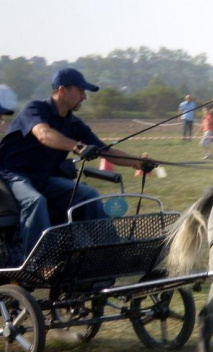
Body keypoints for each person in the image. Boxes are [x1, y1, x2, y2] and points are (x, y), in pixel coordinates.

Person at [0, 67, 150, 261]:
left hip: (44, 178)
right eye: (80, 91)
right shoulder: (35, 109)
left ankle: (111, 250)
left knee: (88, 195)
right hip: (12, 176)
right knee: (35, 201)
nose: (84, 97)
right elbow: (44, 135)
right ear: (63, 90)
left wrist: (137, 163)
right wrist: (78, 147)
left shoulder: (74, 124)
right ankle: (39, 260)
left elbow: (106, 151)